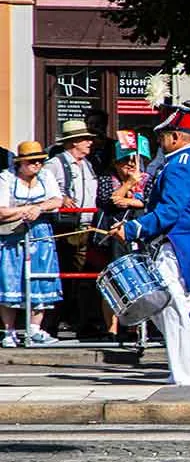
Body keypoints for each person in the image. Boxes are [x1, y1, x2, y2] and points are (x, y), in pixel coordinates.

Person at [109, 94, 190, 386]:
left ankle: (184, 377)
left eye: (161, 137)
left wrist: (132, 230)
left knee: (171, 307)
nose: (159, 142)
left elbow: (170, 210)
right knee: (164, 305)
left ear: (174, 137)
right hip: (184, 241)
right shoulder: (184, 160)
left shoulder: (181, 163)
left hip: (182, 243)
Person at [0, 142, 64, 347]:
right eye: (32, 161)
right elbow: (2, 211)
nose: (37, 164)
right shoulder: (6, 178)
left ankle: (35, 329)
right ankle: (9, 331)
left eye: (39, 161)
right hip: (12, 235)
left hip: (40, 233)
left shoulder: (46, 176)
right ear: (21, 163)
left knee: (40, 276)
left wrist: (39, 208)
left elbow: (57, 200)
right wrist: (26, 210)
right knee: (10, 279)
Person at [45, 119, 103, 338]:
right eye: (85, 139)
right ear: (74, 142)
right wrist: (61, 198)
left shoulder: (87, 164)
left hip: (87, 227)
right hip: (67, 229)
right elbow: (45, 192)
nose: (90, 142)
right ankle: (53, 323)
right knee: (66, 276)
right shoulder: (55, 164)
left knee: (82, 278)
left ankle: (79, 322)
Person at [94, 131, 155, 340]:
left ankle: (137, 328)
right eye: (124, 161)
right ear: (115, 162)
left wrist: (130, 200)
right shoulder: (106, 179)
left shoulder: (148, 179)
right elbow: (107, 200)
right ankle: (112, 329)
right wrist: (128, 184)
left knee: (140, 280)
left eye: (133, 160)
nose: (129, 165)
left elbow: (151, 202)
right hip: (114, 236)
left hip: (140, 234)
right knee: (114, 280)